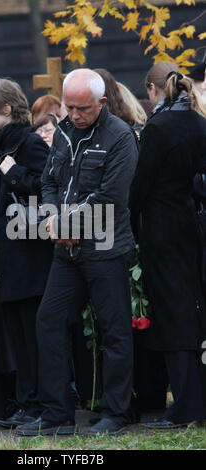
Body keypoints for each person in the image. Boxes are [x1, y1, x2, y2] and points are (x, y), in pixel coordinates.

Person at [14, 68, 139, 436]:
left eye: (81, 108)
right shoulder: (65, 131)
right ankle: (56, 414)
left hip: (106, 248)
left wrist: (66, 225)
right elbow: (49, 180)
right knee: (48, 321)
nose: (73, 114)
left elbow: (111, 197)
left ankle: (116, 411)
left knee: (113, 330)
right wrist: (53, 218)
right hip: (66, 252)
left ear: (101, 103)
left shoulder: (120, 137)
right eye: (69, 106)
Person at [129, 65, 206, 428]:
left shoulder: (158, 128)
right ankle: (192, 399)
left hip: (160, 227)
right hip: (188, 222)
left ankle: (186, 405)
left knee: (172, 316)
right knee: (188, 311)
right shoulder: (197, 121)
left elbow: (140, 185)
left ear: (152, 90)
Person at [0, 78, 53, 429]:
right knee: (18, 338)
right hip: (6, 256)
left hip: (28, 257)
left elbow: (45, 189)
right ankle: (27, 403)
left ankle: (38, 404)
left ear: (7, 109)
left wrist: (14, 173)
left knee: (31, 335)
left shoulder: (29, 143)